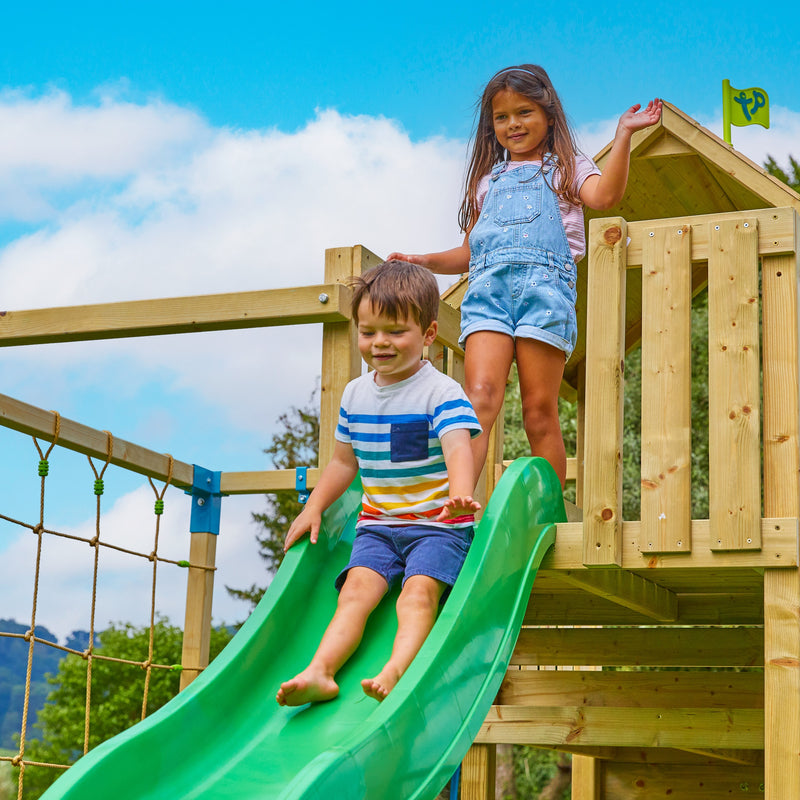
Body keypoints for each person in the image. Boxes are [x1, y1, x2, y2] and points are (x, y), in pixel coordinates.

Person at [389, 64, 662, 487]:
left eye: (524, 112)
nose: (513, 124)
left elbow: (606, 196)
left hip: (544, 295)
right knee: (478, 399)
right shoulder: (486, 182)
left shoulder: (566, 167)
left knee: (538, 411)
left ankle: (549, 511)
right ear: (491, 125)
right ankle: (457, 504)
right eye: (502, 117)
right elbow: (470, 251)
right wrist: (423, 260)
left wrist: (624, 134)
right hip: (487, 297)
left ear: (549, 116)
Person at [276, 259, 482, 706]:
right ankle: (320, 671)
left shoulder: (441, 391)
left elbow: (458, 447)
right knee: (354, 592)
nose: (379, 343)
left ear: (428, 334)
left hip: (437, 526)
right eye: (368, 332)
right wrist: (314, 506)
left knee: (417, 593)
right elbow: (342, 465)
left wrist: (461, 493)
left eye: (395, 331)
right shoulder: (354, 394)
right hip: (378, 525)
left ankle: (396, 667)